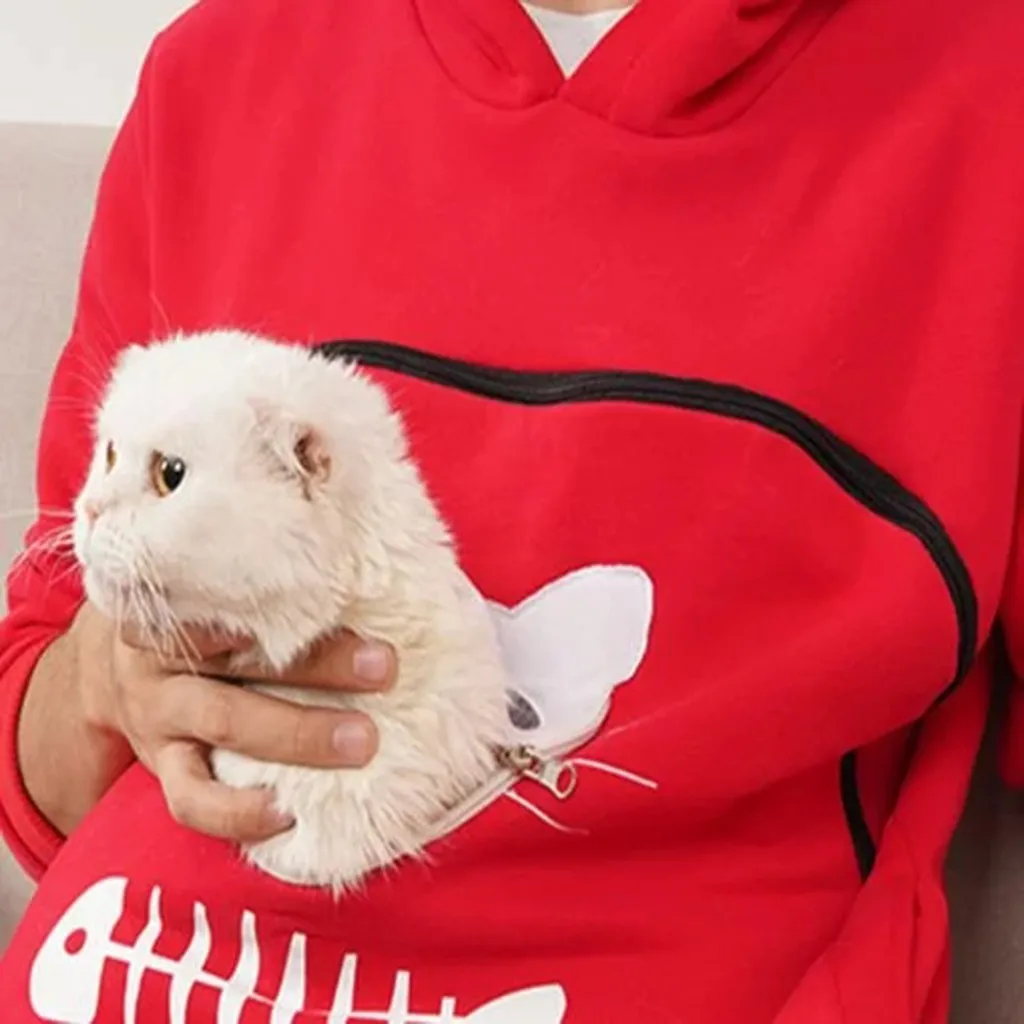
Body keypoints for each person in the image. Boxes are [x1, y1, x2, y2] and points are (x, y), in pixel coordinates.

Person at [0, 0, 1020, 1019]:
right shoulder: (216, 71)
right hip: (125, 971)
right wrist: (104, 679)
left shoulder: (982, 102)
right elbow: (38, 747)